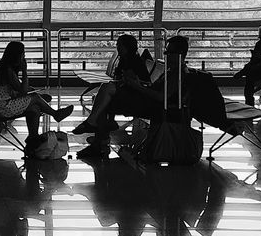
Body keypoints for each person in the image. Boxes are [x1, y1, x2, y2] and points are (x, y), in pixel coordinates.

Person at [76, 35, 227, 159]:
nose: (166, 55)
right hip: (149, 102)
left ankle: (97, 139)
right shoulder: (174, 71)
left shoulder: (177, 75)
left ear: (179, 54)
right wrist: (138, 85)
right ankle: (97, 137)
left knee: (106, 97)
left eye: (169, 52)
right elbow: (156, 90)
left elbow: (162, 98)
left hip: (153, 106)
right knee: (106, 96)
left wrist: (136, 86)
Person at [0, 41, 73, 141]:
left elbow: (18, 89)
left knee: (34, 108)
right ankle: (55, 114)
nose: (24, 57)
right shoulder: (7, 71)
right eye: (23, 54)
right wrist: (25, 71)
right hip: (2, 109)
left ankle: (33, 137)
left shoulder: (3, 67)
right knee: (34, 97)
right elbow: (23, 92)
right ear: (17, 56)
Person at [72, 34, 153, 136]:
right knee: (104, 98)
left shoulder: (134, 61)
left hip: (136, 95)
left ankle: (98, 133)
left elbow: (139, 82)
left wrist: (127, 81)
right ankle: (99, 131)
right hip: (130, 91)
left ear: (127, 47)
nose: (118, 48)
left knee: (105, 94)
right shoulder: (126, 59)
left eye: (120, 45)